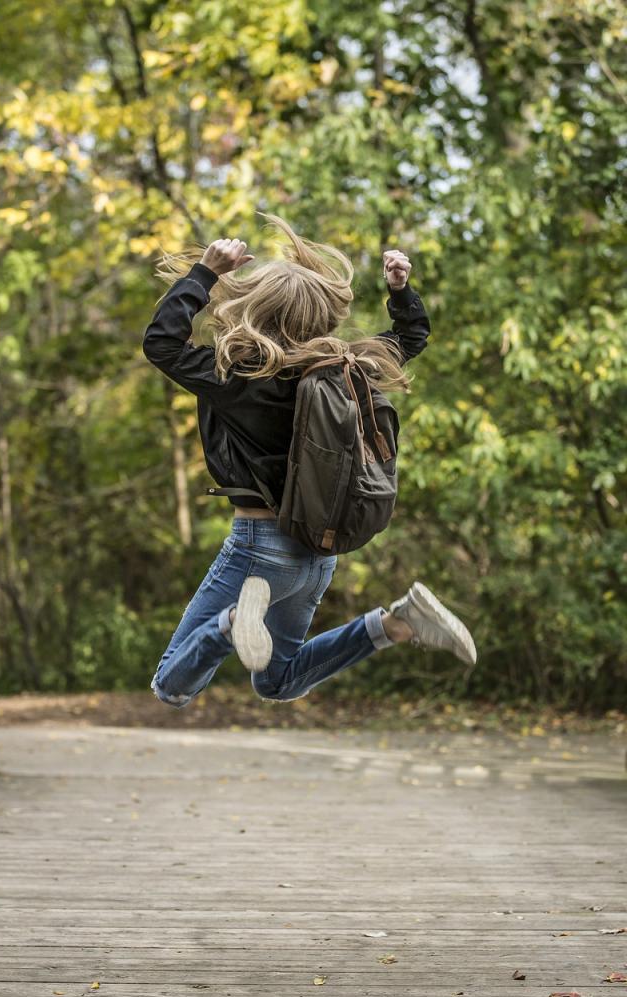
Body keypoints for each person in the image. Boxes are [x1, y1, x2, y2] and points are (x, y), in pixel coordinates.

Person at [143, 213, 476, 710]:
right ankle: (396, 622)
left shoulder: (234, 375)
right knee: (277, 681)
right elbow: (409, 340)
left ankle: (233, 624)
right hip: (317, 553)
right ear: (319, 314)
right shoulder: (347, 369)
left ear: (255, 307)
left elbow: (162, 344)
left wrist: (205, 273)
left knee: (171, 685)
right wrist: (400, 292)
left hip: (258, 550)